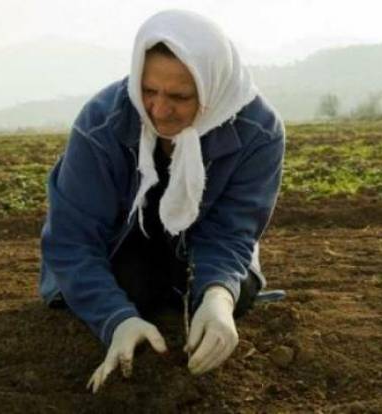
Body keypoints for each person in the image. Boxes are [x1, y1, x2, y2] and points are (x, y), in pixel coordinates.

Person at [39, 9, 285, 393]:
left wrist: (219, 295)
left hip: (199, 244)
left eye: (180, 96)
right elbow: (72, 241)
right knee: (133, 287)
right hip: (125, 245)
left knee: (237, 295)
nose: (158, 110)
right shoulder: (102, 125)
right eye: (148, 91)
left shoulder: (258, 131)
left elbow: (233, 231)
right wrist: (116, 319)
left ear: (212, 88)